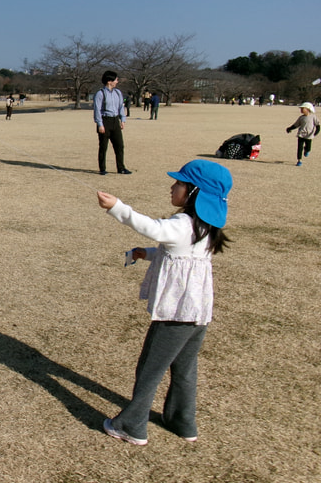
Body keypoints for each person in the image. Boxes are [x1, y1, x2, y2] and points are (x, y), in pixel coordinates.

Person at [97, 159, 233, 446]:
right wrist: (146, 254)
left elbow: (155, 229)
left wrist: (117, 207)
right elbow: (178, 254)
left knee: (150, 368)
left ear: (195, 192)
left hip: (176, 316)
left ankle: (132, 426)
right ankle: (182, 422)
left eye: (179, 183)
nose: (172, 187)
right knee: (184, 368)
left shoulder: (181, 224)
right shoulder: (204, 226)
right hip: (197, 316)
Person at [93, 70, 132, 175]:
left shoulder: (118, 93)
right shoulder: (100, 94)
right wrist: (100, 124)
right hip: (105, 121)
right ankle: (102, 169)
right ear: (109, 81)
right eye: (116, 80)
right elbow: (97, 110)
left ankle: (121, 168)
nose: (117, 81)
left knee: (119, 145)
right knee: (103, 146)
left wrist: (122, 120)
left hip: (115, 120)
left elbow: (121, 107)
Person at [286, 102, 320, 166]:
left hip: (309, 136)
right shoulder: (301, 118)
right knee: (299, 148)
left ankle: (307, 150)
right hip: (301, 135)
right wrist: (289, 128)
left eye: (302, 108)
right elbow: (296, 125)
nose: (301, 110)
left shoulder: (313, 117)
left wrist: (315, 133)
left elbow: (318, 126)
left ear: (308, 109)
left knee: (308, 147)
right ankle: (299, 160)